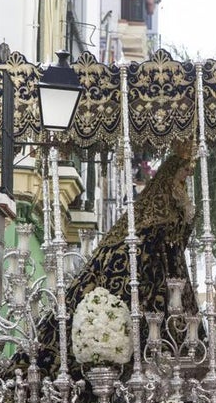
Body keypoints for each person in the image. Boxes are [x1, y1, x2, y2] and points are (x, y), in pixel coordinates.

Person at [33, 143, 199, 376]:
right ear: (170, 175)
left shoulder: (179, 205)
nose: (185, 180)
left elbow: (179, 238)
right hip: (150, 277)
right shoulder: (153, 215)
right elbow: (151, 241)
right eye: (183, 173)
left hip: (172, 277)